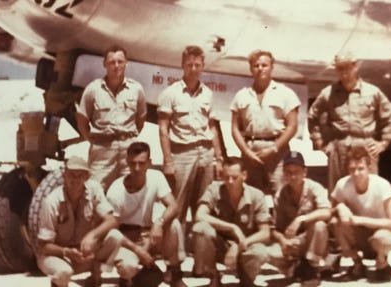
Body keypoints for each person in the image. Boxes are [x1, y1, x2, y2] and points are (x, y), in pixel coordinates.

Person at [308, 51, 391, 191]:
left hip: (365, 147)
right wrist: (320, 142)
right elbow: (312, 116)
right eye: (339, 68)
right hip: (339, 150)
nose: (343, 72)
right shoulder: (328, 93)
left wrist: (383, 143)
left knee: (368, 192)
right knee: (339, 193)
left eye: (347, 67)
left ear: (356, 66)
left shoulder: (372, 92)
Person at [158, 45, 224, 224]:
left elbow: (212, 127)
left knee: (204, 203)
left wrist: (218, 158)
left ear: (203, 66)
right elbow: (163, 129)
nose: (193, 69)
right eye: (189, 65)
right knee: (178, 204)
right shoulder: (170, 93)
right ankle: (176, 249)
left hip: (206, 153)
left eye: (197, 65)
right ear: (182, 65)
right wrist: (168, 161)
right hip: (182, 154)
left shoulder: (208, 94)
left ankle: (199, 248)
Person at [107, 141, 186, 287]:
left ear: (149, 163)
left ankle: (175, 274)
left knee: (173, 224)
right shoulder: (116, 190)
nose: (137, 168)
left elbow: (174, 206)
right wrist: (138, 250)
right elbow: (112, 228)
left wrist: (159, 223)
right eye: (132, 163)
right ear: (127, 162)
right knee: (127, 267)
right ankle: (128, 279)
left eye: (141, 163)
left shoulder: (156, 177)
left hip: (150, 233)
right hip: (127, 237)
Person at [35, 156, 123, 287]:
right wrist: (65, 252)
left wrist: (92, 235)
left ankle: (96, 272)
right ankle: (58, 283)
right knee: (63, 272)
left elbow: (112, 220)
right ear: (64, 175)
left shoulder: (94, 189)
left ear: (87, 177)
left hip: (83, 253)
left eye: (80, 175)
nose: (75, 179)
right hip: (57, 254)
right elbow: (44, 246)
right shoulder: (51, 202)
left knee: (116, 237)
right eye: (71, 175)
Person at [192, 157, 272, 287]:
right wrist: (232, 227)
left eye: (234, 177)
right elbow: (199, 216)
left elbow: (265, 233)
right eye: (226, 177)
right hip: (220, 245)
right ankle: (213, 276)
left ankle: (246, 278)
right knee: (200, 229)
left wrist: (240, 244)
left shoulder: (256, 195)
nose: (230, 181)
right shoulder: (214, 189)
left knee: (260, 252)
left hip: (245, 246)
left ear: (244, 175)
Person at [77, 45, 147, 190]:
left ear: (126, 63)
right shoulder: (93, 90)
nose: (116, 66)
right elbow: (82, 121)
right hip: (102, 150)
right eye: (111, 62)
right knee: (96, 191)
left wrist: (127, 138)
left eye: (120, 62)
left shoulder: (136, 89)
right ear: (104, 64)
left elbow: (140, 120)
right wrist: (95, 140)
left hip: (128, 150)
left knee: (129, 191)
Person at [230, 49, 300, 194]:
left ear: (272, 67)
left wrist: (273, 148)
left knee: (281, 193)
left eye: (264, 65)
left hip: (277, 151)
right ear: (251, 69)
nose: (260, 69)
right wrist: (246, 151)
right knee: (251, 195)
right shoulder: (241, 95)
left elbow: (292, 126)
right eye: (256, 66)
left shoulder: (285, 93)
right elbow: (235, 128)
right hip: (251, 151)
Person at [331, 145, 391, 283]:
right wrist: (339, 207)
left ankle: (382, 263)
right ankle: (357, 263)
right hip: (358, 234)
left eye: (361, 169)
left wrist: (360, 220)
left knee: (383, 239)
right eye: (352, 169)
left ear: (369, 168)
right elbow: (330, 210)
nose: (356, 173)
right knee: (336, 223)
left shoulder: (382, 185)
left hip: (379, 232)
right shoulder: (342, 185)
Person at [267, 151, 332, 286]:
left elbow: (326, 212)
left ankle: (312, 268)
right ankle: (298, 266)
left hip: (314, 239)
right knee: (269, 254)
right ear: (284, 174)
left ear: (305, 172)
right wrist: (283, 240)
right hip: (295, 241)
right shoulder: (281, 194)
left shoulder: (314, 188)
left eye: (296, 171)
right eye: (289, 172)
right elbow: (275, 228)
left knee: (319, 225)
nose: (293, 176)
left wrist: (300, 219)